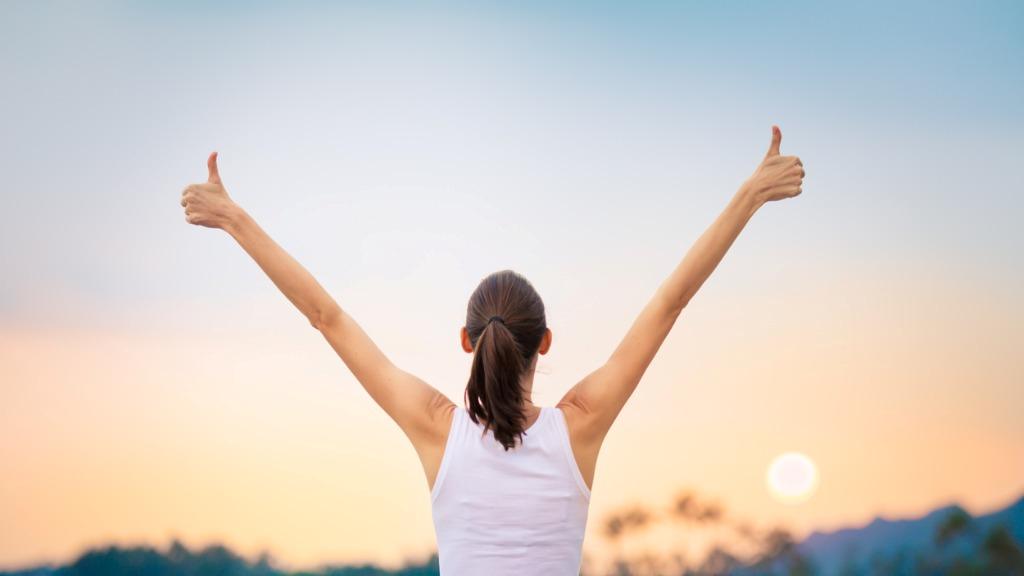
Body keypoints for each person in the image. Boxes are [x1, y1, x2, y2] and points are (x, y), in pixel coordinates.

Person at [180, 126, 804, 575]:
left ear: (466, 342)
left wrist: (235, 220)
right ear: (546, 344)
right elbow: (671, 302)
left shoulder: (437, 431)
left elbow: (327, 316)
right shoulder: (579, 427)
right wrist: (750, 195)